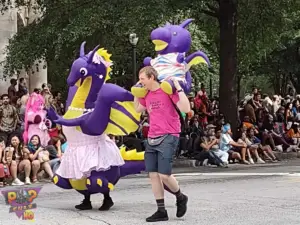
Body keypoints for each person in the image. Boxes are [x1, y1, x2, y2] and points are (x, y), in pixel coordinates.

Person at [133, 66, 190, 222]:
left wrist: (177, 86)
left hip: (169, 135)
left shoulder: (167, 90)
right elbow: (138, 109)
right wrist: (135, 94)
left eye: (142, 78)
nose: (140, 81)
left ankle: (180, 197)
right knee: (153, 175)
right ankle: (161, 210)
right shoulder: (147, 94)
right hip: (152, 136)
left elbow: (186, 108)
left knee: (164, 174)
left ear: (152, 77)